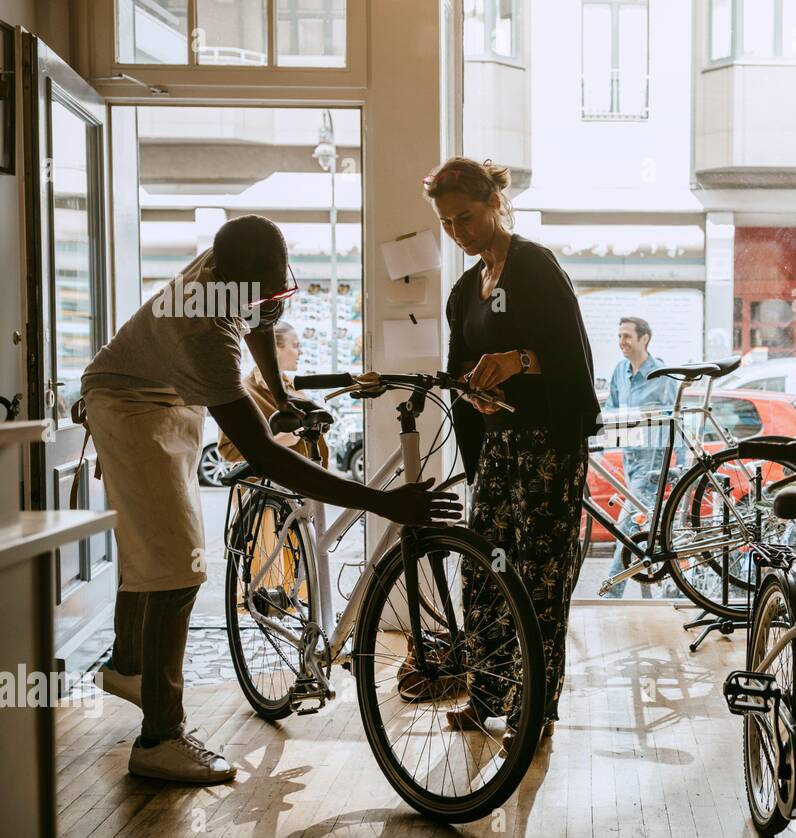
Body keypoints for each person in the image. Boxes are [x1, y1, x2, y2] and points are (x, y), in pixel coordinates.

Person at [81, 215, 458, 785]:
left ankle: (130, 667)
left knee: (152, 545)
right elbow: (266, 456)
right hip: (127, 403)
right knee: (175, 568)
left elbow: (256, 319)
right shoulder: (201, 327)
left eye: (280, 286)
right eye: (265, 292)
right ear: (231, 279)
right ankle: (158, 741)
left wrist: (280, 394)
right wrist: (382, 503)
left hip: (168, 393)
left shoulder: (241, 272)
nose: (273, 302)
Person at [427, 157, 600, 747]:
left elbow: (575, 361)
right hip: (499, 449)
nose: (459, 232)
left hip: (550, 446)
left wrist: (519, 360)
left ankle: (535, 708)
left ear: (495, 205)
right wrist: (469, 392)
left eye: (466, 217)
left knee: (539, 577)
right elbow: (455, 372)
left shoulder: (535, 267)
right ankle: (486, 693)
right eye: (448, 224)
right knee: (485, 570)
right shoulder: (462, 291)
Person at [601, 317, 676, 598]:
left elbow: (673, 419)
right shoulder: (620, 371)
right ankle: (661, 592)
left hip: (653, 462)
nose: (621, 342)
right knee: (644, 529)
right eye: (619, 336)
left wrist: (675, 464)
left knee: (629, 526)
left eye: (627, 336)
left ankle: (612, 592)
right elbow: (611, 410)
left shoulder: (662, 375)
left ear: (645, 339)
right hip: (630, 460)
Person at [217, 320, 328, 464]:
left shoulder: (293, 389)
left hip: (303, 482)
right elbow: (229, 451)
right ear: (273, 347)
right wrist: (277, 442)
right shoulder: (244, 391)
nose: (301, 352)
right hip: (266, 485)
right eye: (296, 346)